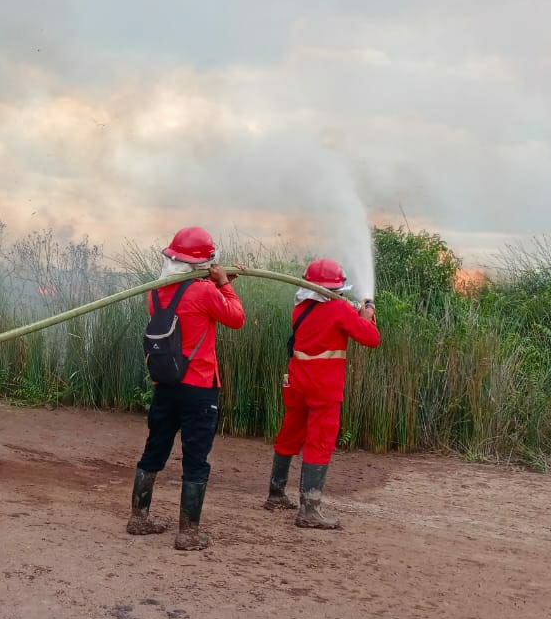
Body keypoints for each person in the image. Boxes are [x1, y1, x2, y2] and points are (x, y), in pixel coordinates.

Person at [127, 226, 245, 550]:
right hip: (199, 388)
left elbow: (186, 304)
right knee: (196, 459)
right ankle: (188, 533)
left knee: (154, 449)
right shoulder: (206, 291)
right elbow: (236, 318)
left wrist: (216, 285)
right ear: (202, 263)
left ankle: (139, 517)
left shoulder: (156, 292)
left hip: (165, 385)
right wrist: (223, 286)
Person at [264, 258, 379, 529]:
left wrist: (356, 314)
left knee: (290, 434)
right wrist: (366, 316)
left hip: (296, 381)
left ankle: (276, 493)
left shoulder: (300, 307)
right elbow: (372, 339)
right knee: (319, 442)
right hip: (323, 386)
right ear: (336, 288)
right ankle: (309, 510)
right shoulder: (340, 310)